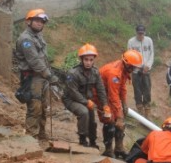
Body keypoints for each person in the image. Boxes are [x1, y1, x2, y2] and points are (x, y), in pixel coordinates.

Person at [15, 8, 59, 140]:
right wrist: (49, 75)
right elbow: (34, 61)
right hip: (32, 77)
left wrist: (48, 74)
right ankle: (31, 139)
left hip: (42, 77)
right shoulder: (25, 39)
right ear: (29, 22)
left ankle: (41, 134)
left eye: (42, 21)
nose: (40, 24)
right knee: (35, 108)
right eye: (37, 21)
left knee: (43, 106)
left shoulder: (38, 36)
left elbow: (43, 58)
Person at [98, 49, 143, 158]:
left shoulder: (124, 70)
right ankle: (108, 150)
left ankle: (119, 148)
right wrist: (119, 117)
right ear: (127, 64)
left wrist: (124, 104)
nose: (134, 69)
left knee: (119, 121)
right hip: (99, 94)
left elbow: (122, 88)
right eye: (133, 67)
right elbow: (113, 96)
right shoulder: (114, 73)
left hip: (109, 92)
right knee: (109, 120)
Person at [62, 43, 108, 148]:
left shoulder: (95, 72)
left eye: (91, 60)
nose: (88, 62)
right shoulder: (73, 73)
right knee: (84, 112)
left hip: (86, 99)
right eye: (86, 59)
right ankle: (82, 139)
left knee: (92, 119)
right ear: (82, 59)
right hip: (71, 99)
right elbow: (73, 92)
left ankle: (92, 141)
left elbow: (101, 89)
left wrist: (105, 105)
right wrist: (86, 102)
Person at [127, 24, 154, 118]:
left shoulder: (149, 40)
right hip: (136, 70)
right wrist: (137, 67)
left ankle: (147, 110)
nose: (141, 36)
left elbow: (151, 54)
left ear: (145, 33)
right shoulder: (131, 42)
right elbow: (129, 56)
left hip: (146, 69)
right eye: (139, 33)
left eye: (142, 34)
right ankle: (140, 110)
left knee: (147, 89)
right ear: (136, 33)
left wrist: (148, 66)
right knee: (137, 90)